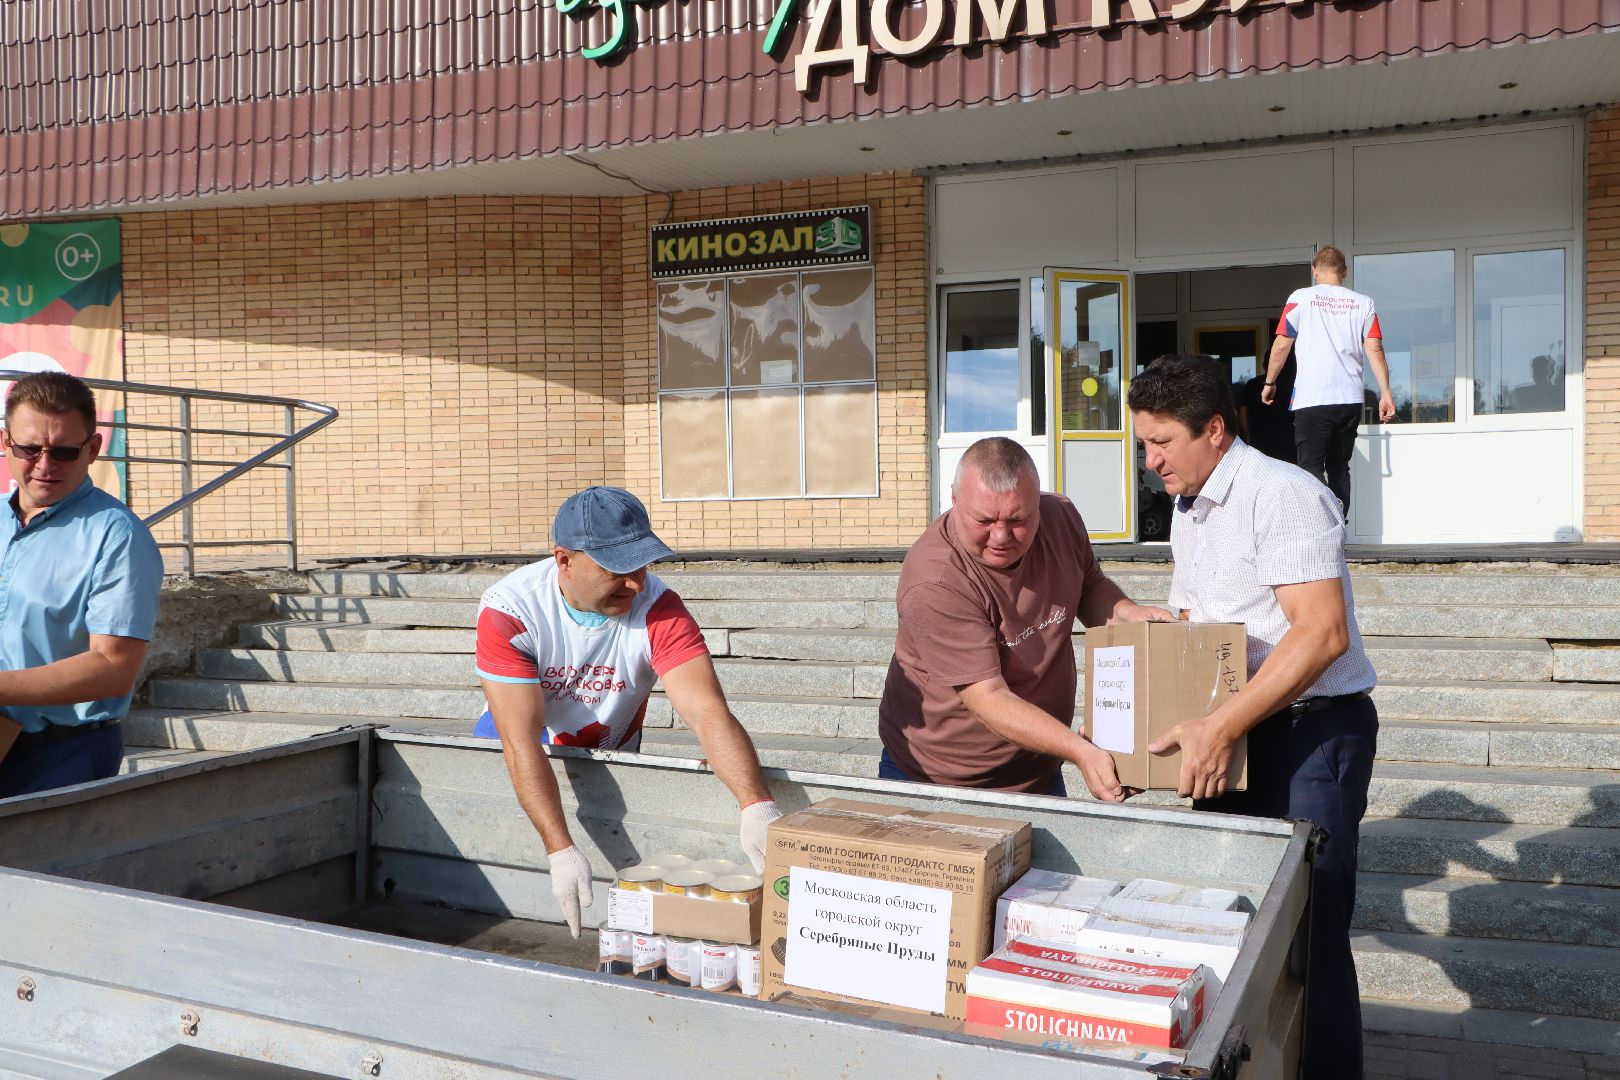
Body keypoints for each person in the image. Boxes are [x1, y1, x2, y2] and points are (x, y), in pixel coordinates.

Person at [1128, 356, 1378, 1080]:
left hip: (1309, 736)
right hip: (1239, 736)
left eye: (1161, 443)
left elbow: (1321, 633)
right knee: (1239, 930)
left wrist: (1220, 725)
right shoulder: (1191, 505)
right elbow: (1208, 623)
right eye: (1143, 445)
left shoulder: (1283, 495)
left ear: (1214, 429)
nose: (1151, 462)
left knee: (1308, 941)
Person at [473, 485, 780, 936]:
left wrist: (756, 805)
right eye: (616, 569)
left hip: (608, 743)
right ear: (564, 560)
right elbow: (520, 739)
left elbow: (708, 713)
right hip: (523, 754)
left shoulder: (658, 606)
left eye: (641, 564)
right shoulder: (511, 609)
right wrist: (559, 848)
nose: (635, 582)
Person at [877, 437, 1173, 800]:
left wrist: (1130, 615)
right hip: (937, 778)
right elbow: (988, 698)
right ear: (954, 502)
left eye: (1018, 519)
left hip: (1037, 770)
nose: (1001, 536)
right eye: (983, 520)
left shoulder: (1060, 517)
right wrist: (1082, 751)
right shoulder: (935, 579)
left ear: (1038, 502)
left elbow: (1090, 588)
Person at [0, 372, 164, 799]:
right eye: (29, 448)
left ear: (93, 449)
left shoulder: (118, 535)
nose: (44, 465)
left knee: (33, 868)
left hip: (62, 755)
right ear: (5, 442)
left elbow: (113, 667)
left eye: (65, 452)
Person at [1261, 246, 1396, 514]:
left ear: (1315, 271)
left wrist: (1270, 382)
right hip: (1349, 399)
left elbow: (1281, 344)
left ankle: (1319, 521)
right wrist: (1385, 392)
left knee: (1310, 464)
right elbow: (1375, 348)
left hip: (1313, 398)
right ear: (1344, 272)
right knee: (1339, 467)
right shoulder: (1364, 303)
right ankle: (1338, 524)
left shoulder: (1300, 298)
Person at [1239, 362, 1296, 464]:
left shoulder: (1252, 384)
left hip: (1259, 441)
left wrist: (1247, 436)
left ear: (1264, 365)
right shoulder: (1291, 384)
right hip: (1286, 440)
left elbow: (1243, 412)